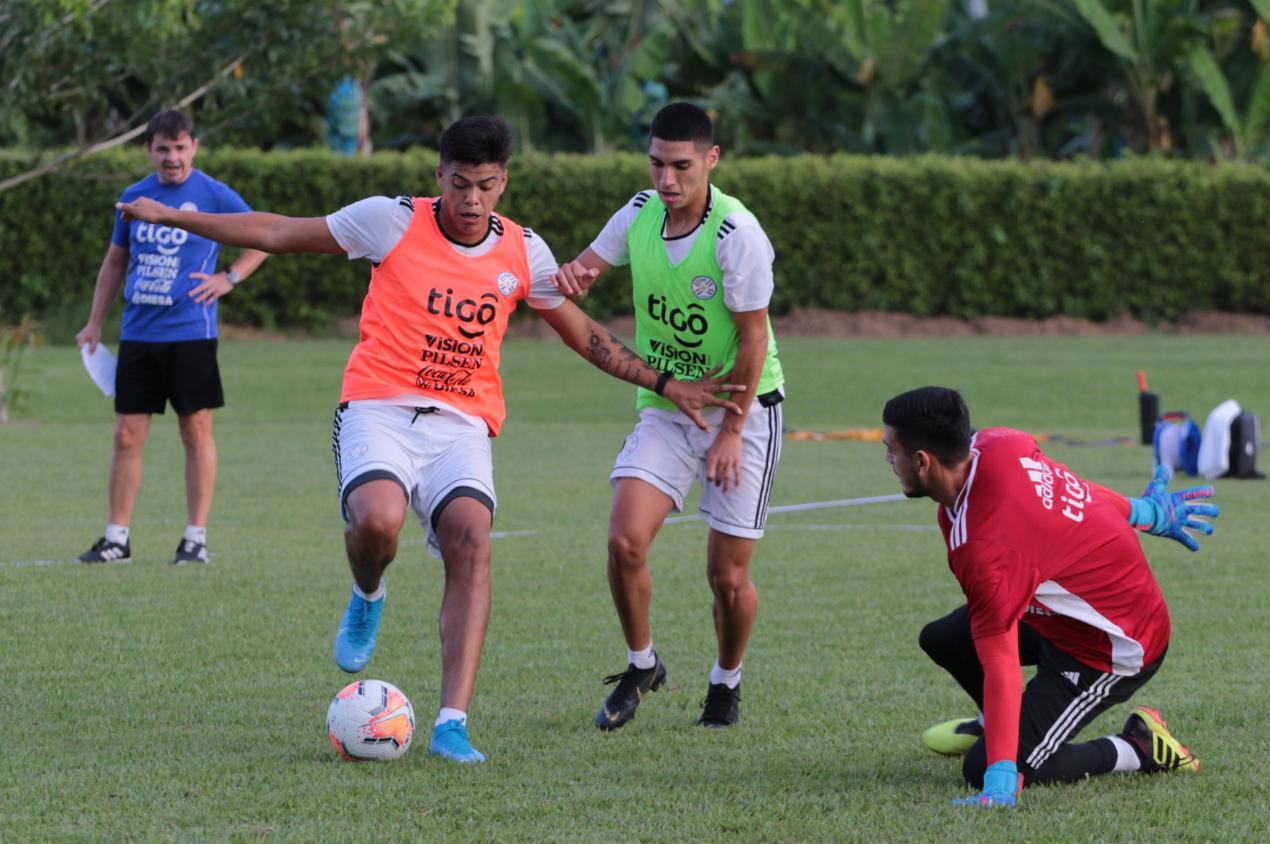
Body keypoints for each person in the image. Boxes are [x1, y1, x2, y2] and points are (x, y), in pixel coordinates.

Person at [115, 115, 744, 763]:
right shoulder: (389, 221)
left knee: (472, 539)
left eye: (487, 186)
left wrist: (665, 383)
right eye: (460, 183)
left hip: (462, 425)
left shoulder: (523, 251)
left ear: (504, 183)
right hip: (378, 408)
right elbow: (277, 231)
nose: (472, 199)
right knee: (376, 524)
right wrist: (173, 216)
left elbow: (584, 335)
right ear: (439, 175)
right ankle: (368, 592)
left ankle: (451, 724)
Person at [553, 102, 785, 730]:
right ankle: (642, 664)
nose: (666, 179)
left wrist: (731, 431)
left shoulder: (737, 235)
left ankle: (726, 680)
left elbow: (754, 339)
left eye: (681, 165)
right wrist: (573, 277)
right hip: (666, 405)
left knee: (726, 576)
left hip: (742, 410)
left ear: (712, 159)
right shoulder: (638, 213)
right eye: (657, 163)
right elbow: (585, 270)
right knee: (623, 541)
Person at [880, 386, 1220, 807]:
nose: (888, 460)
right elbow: (1078, 491)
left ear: (922, 461)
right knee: (943, 639)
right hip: (1061, 619)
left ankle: (1140, 747)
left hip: (1113, 646)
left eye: (890, 450)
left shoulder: (984, 549)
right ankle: (1000, 727)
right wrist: (1141, 512)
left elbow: (1001, 659)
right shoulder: (1001, 443)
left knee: (982, 768)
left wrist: (1000, 776)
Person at [76, 109, 269, 566]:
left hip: (191, 334)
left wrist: (229, 278)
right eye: (163, 149)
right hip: (138, 334)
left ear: (194, 147)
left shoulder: (213, 194)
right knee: (126, 434)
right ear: (149, 150)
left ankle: (194, 539)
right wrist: (94, 321)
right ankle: (116, 539)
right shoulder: (134, 196)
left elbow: (262, 235)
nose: (172, 157)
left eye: (180, 148)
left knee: (195, 430)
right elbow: (115, 262)